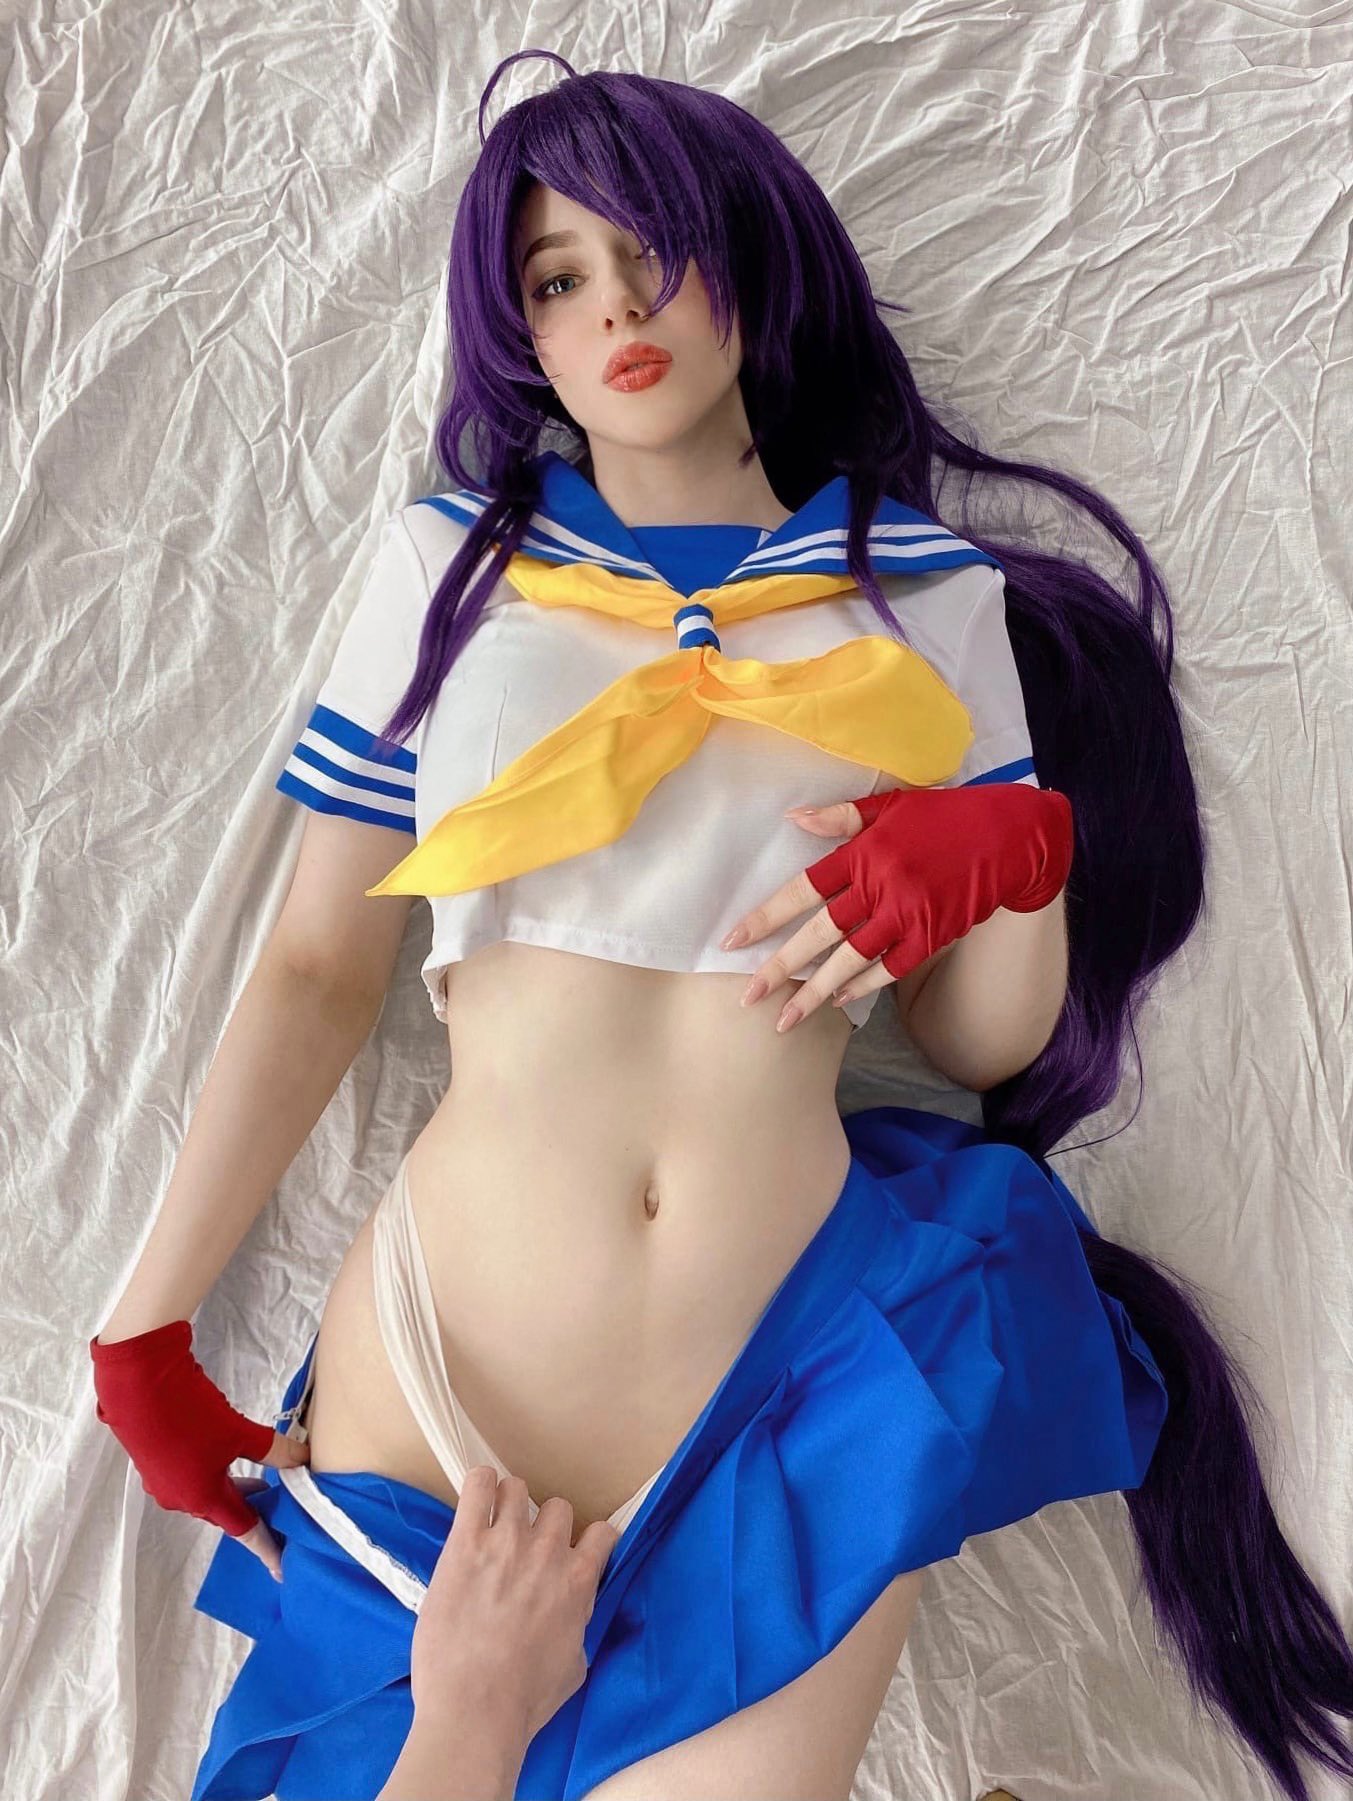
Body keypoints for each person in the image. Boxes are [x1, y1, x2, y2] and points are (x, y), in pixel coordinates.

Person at [89, 48, 1353, 1801]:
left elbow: (978, 1040)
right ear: (517, 336)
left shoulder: (923, 592)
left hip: (782, 1388)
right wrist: (144, 1328)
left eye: (652, 251)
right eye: (555, 280)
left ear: (749, 267)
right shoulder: (450, 568)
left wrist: (1012, 846)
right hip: (449, 1384)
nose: (614, 308)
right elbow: (318, 965)